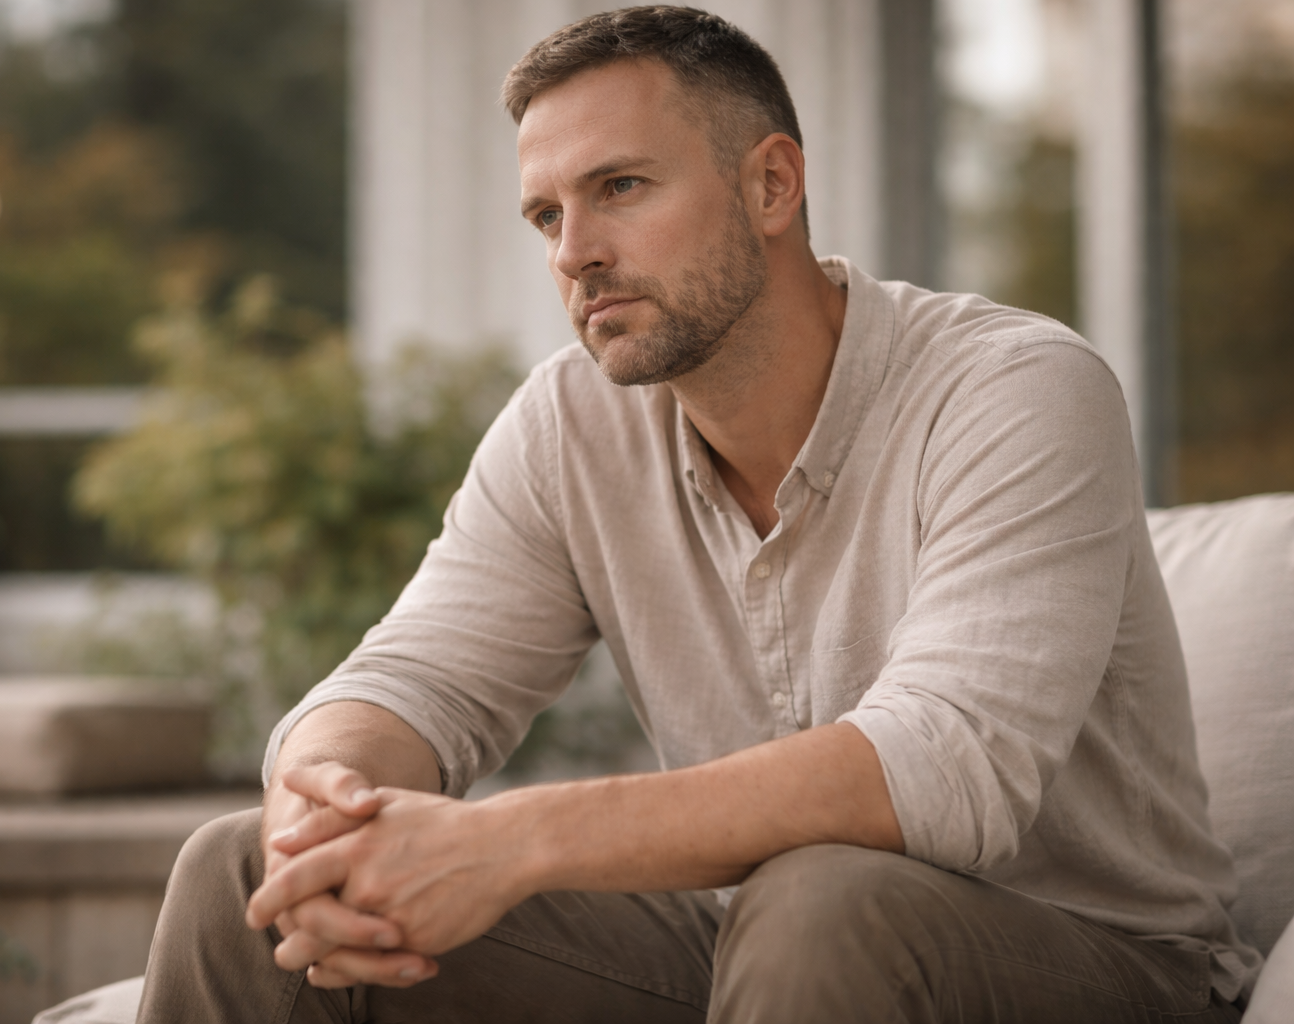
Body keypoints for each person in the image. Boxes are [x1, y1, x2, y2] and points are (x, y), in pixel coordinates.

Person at [135, 7, 1259, 1022]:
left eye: (619, 187)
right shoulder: (568, 426)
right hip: (757, 952)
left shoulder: (1014, 388)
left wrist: (511, 839)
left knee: (822, 896)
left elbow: (945, 767)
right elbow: (413, 681)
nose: (574, 253)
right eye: (545, 214)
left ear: (771, 186)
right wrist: (322, 801)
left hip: (1095, 967)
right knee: (243, 873)